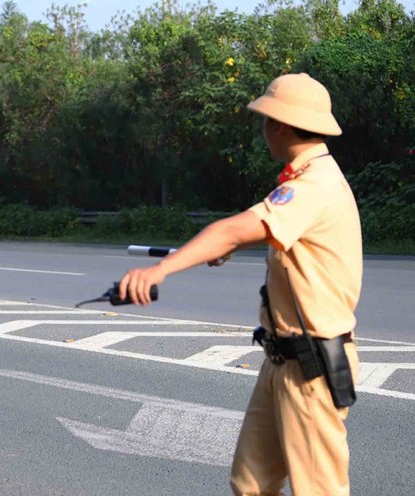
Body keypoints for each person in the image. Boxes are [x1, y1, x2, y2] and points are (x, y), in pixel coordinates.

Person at [119, 73, 361, 495]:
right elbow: (275, 236)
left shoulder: (313, 186)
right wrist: (226, 245)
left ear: (280, 124)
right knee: (251, 484)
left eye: (265, 119)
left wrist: (160, 270)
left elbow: (231, 230)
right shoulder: (307, 177)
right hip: (282, 359)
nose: (263, 129)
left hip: (310, 367)